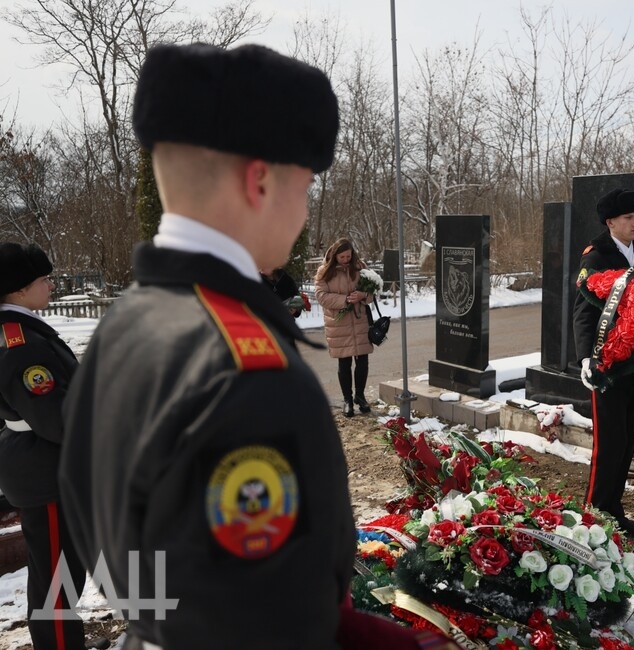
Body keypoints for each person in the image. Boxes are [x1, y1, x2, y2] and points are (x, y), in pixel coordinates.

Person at [56, 43, 450, 650]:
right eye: (306, 183)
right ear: (260, 179)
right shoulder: (248, 372)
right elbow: (273, 622)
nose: (304, 210)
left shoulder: (126, 322)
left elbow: (97, 527)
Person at [0, 243, 87, 650]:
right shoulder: (22, 344)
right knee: (55, 574)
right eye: (43, 280)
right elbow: (57, 417)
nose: (51, 285)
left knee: (60, 571)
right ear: (18, 290)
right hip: (45, 470)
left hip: (44, 466)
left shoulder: (24, 331)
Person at [573, 188, 634, 537]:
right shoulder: (597, 256)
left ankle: (613, 509)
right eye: (627, 219)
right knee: (609, 445)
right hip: (607, 364)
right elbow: (584, 310)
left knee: (626, 441)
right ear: (610, 223)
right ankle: (594, 517)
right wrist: (586, 357)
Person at [314, 238, 375, 418]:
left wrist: (362, 295)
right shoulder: (325, 271)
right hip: (338, 322)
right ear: (335, 256)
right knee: (345, 362)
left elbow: (373, 290)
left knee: (362, 359)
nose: (346, 259)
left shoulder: (360, 266)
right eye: (342, 257)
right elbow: (321, 295)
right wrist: (344, 300)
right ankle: (347, 400)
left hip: (359, 319)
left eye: (348, 256)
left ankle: (360, 396)